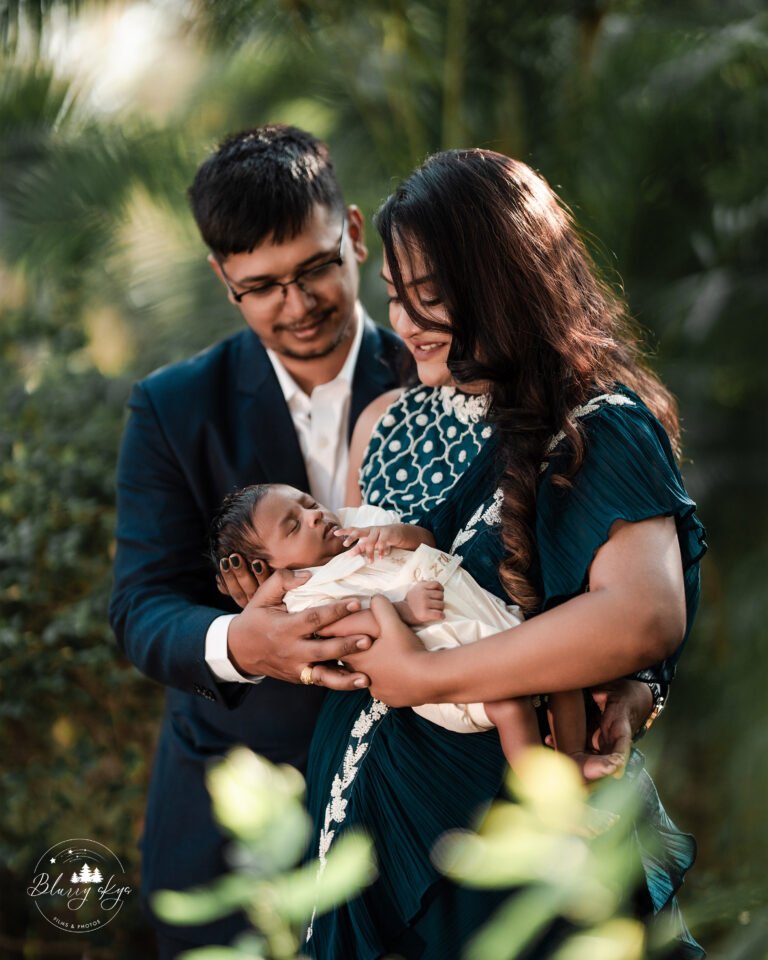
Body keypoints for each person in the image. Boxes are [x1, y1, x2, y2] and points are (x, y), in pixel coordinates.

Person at [296, 150, 707, 959]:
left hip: (509, 836)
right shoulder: (382, 423)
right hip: (360, 829)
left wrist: (426, 678)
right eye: (395, 301)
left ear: (500, 285)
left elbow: (643, 616)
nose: (404, 325)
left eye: (431, 300)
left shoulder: (597, 422)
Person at [108, 124, 409, 955]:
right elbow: (140, 605)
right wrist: (243, 640)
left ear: (352, 232)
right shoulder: (173, 407)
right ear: (222, 279)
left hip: (422, 808)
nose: (298, 303)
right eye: (263, 286)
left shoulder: (437, 373)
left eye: (316, 268)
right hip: (229, 814)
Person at [208, 482, 586, 766]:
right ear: (271, 568)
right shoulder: (305, 593)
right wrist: (403, 609)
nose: (314, 516)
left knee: (558, 670)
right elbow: (345, 627)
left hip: (478, 611)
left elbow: (426, 539)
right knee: (510, 703)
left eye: (308, 503)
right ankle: (547, 800)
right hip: (440, 652)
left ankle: (576, 754)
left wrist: (394, 535)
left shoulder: (359, 522)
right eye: (293, 527)